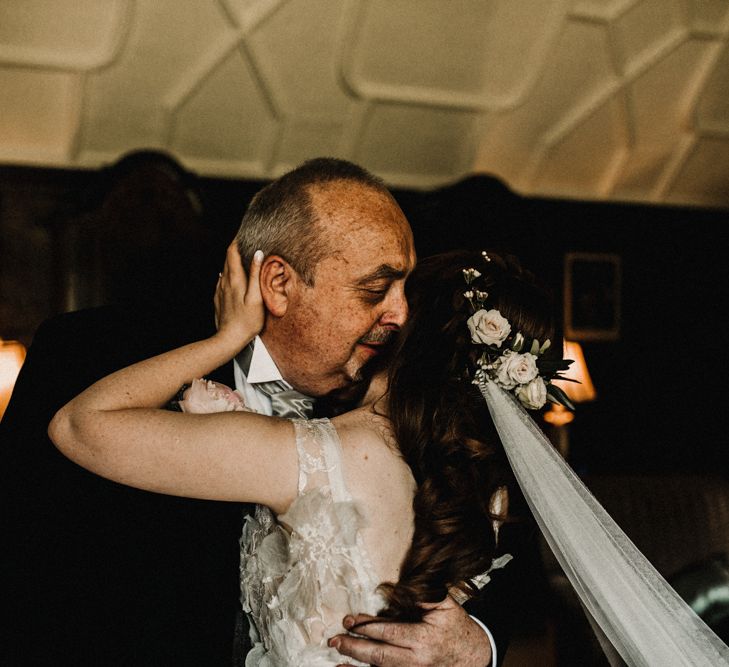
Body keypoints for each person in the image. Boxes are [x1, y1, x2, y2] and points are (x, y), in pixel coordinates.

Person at [3, 158, 514, 665]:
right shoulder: (88, 352)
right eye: (375, 290)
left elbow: (505, 558)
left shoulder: (400, 402)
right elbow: (20, 550)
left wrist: (477, 646)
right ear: (278, 282)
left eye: (405, 289)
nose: (400, 314)